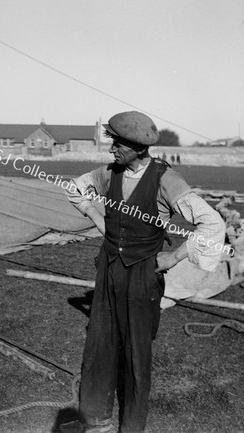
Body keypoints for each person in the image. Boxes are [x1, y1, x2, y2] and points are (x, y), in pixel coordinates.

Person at [61, 111, 225, 433]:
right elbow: (73, 189)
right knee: (100, 341)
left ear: (139, 147)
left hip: (143, 275)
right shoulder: (109, 173)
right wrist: (98, 219)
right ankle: (95, 421)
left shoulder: (166, 180)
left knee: (136, 351)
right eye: (113, 141)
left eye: (118, 143)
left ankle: (132, 428)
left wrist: (173, 258)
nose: (112, 149)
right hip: (108, 268)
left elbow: (212, 222)